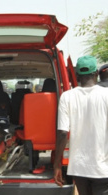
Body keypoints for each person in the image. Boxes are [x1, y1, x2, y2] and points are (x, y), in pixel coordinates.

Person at [54, 55, 108, 195]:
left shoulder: (67, 97)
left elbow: (63, 133)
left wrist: (57, 164)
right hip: (103, 168)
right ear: (96, 73)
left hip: (79, 167)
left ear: (77, 75)